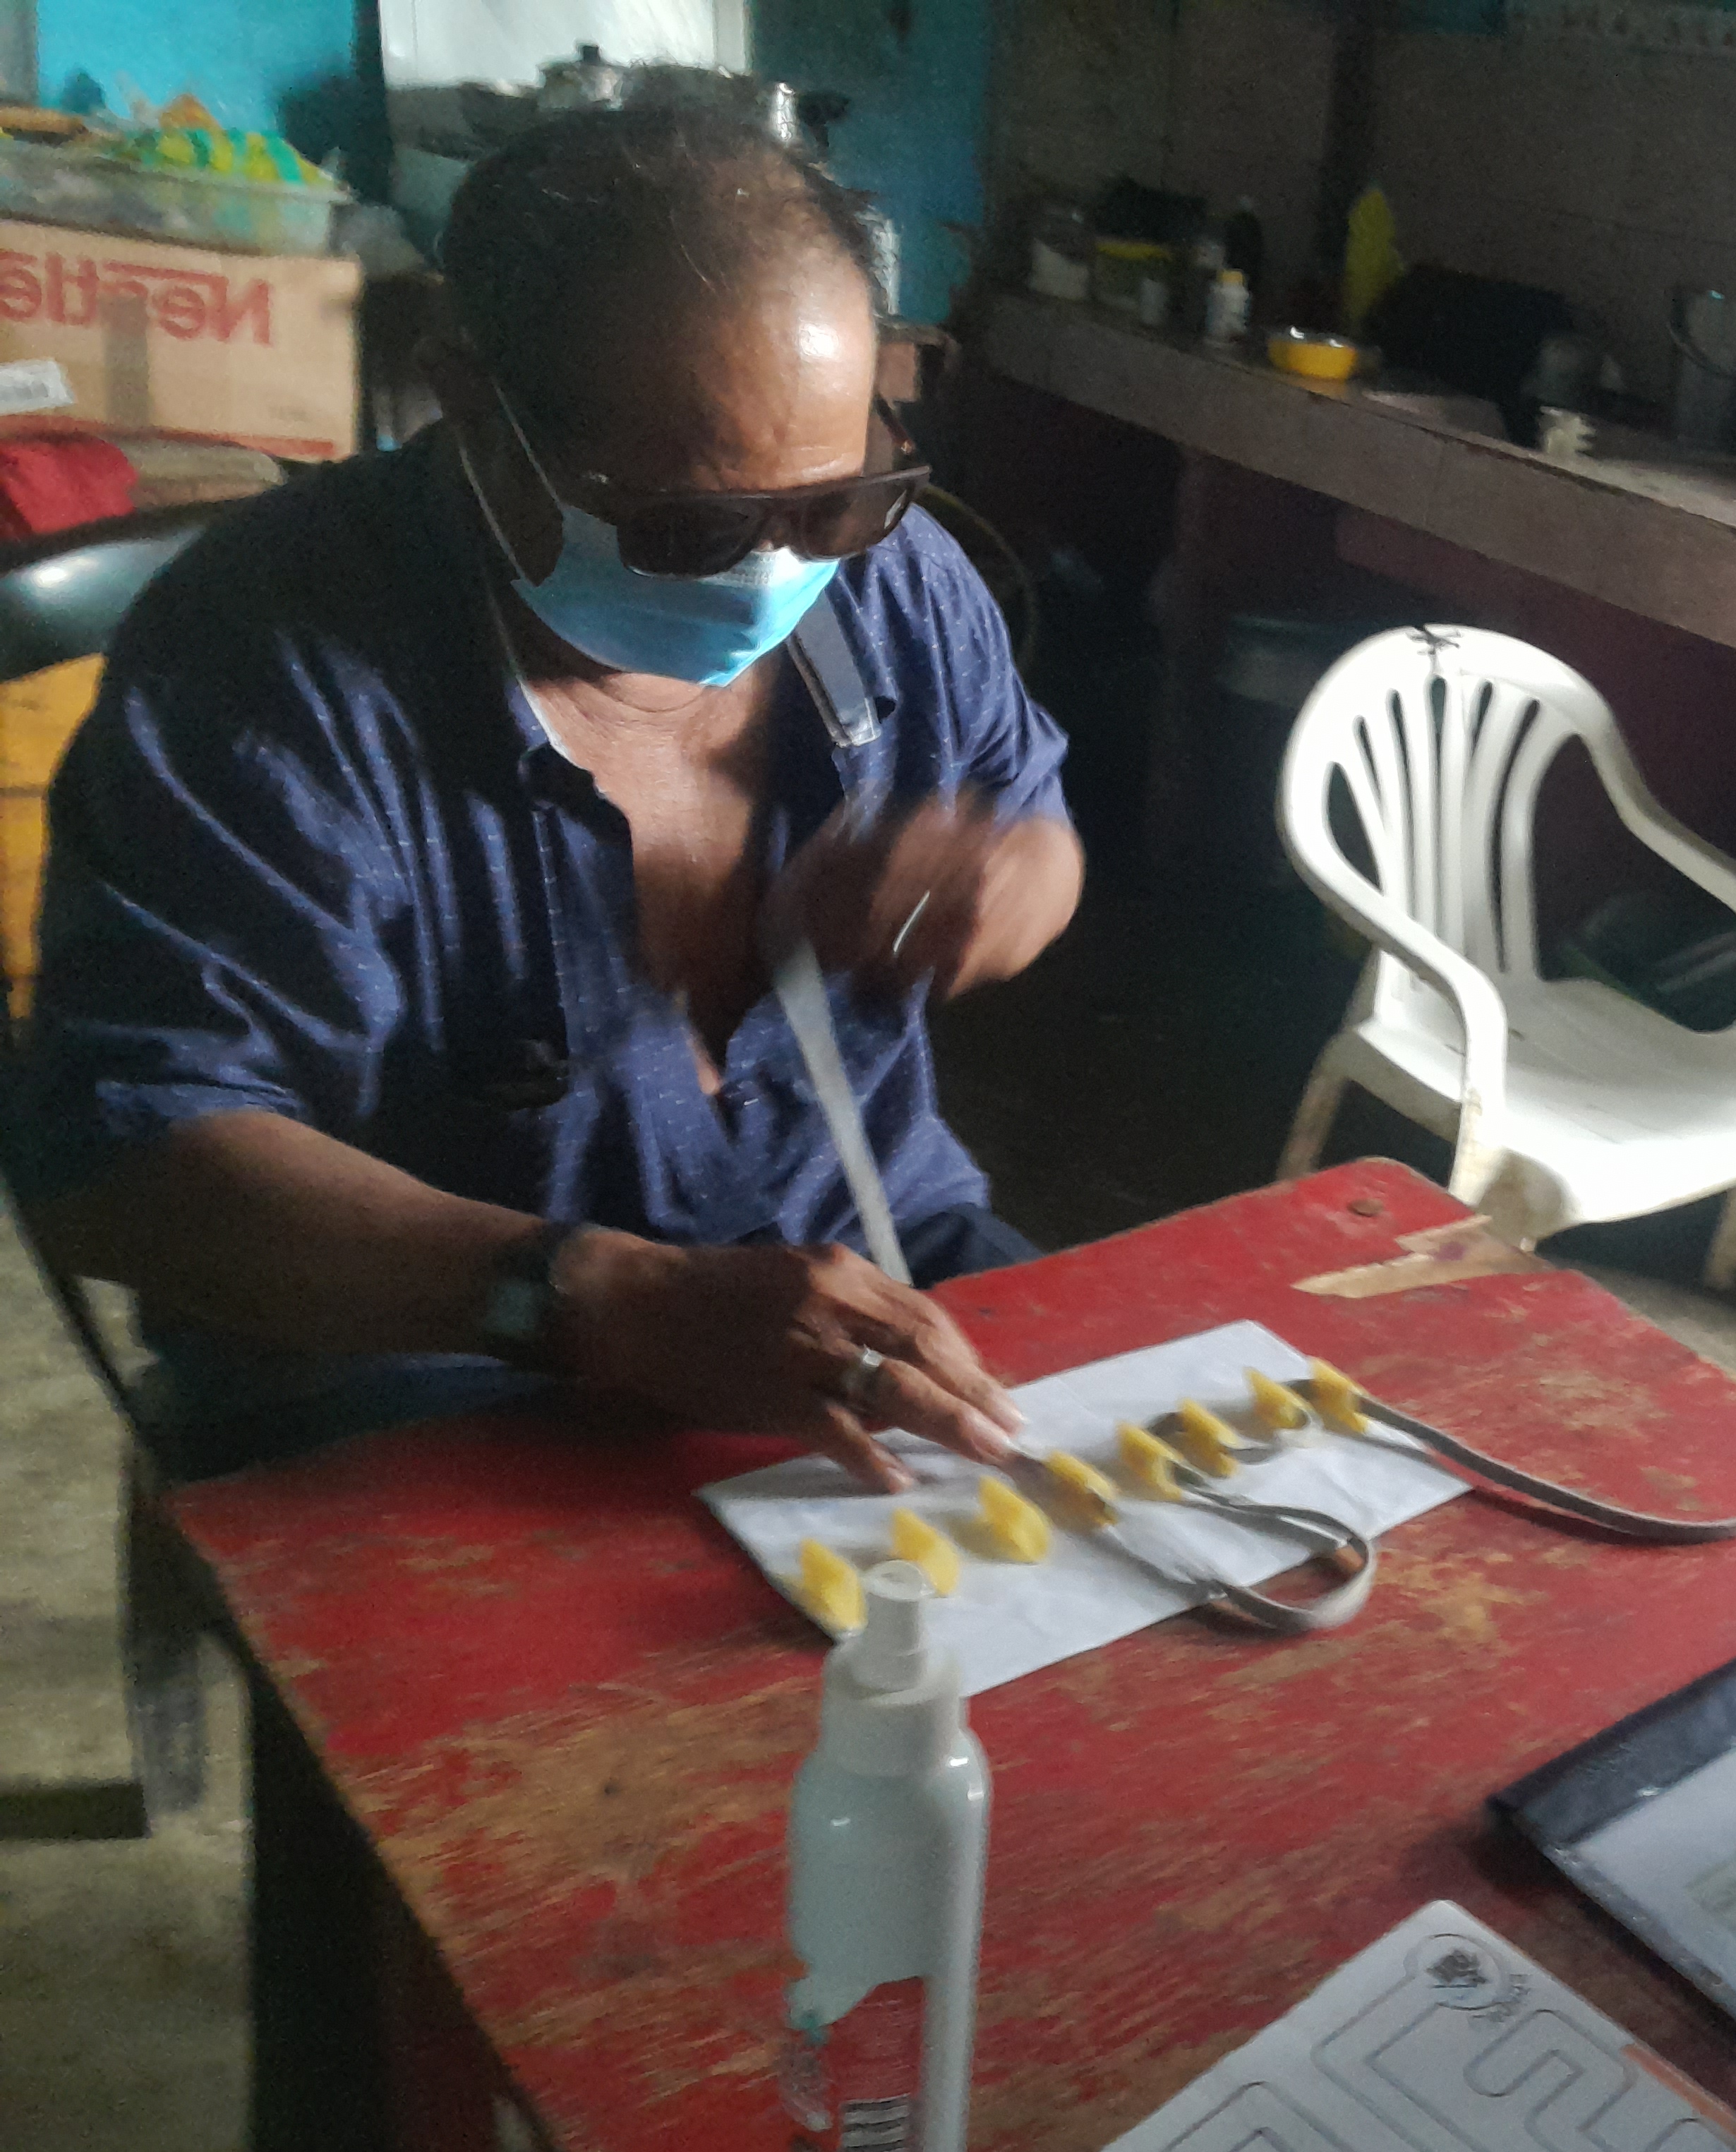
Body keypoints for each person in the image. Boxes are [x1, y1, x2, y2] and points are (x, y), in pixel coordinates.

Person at [12, 106, 1084, 1489]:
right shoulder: (266, 667)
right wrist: (607, 1301)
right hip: (434, 1371)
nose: (779, 573)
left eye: (831, 504)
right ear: (470, 405)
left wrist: (1009, 883)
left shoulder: (896, 584)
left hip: (883, 1262)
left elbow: (1031, 825)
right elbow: (126, 1165)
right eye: (690, 528)